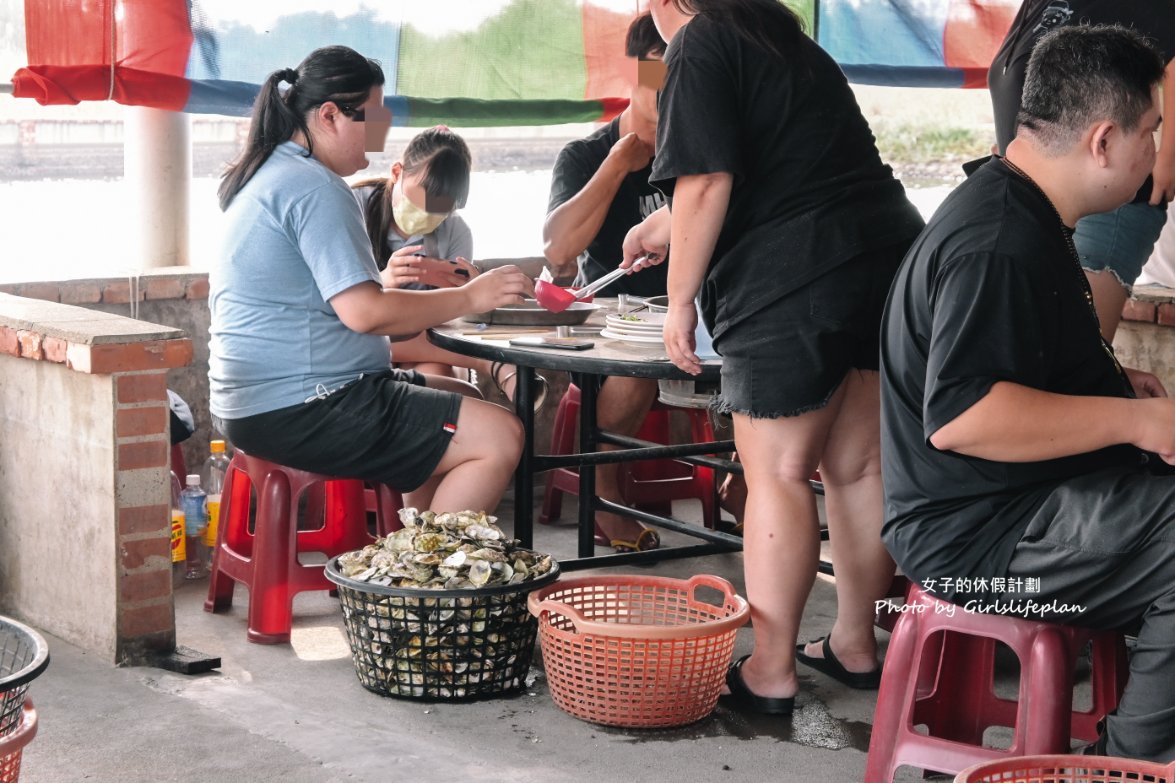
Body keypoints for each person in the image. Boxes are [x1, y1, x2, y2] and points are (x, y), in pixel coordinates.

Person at [881, 24, 1175, 760]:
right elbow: (967, 417)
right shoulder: (999, 242)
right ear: (1103, 141)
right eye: (1153, 130)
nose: (1157, 149)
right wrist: (1135, 423)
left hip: (1010, 507)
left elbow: (1016, 369)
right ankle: (1121, 764)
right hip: (978, 539)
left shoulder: (1024, 213)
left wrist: (1112, 389)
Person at [626, 0, 925, 713]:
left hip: (793, 272)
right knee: (858, 467)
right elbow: (781, 166)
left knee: (780, 472)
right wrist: (665, 224)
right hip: (884, 254)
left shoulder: (698, 44)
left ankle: (770, 668)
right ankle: (854, 642)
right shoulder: (784, 42)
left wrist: (678, 298)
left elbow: (707, 180)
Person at [209, 46, 532, 515]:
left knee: (461, 397)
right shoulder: (316, 187)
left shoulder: (273, 171)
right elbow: (366, 313)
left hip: (263, 400)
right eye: (373, 121)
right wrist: (468, 295)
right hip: (304, 403)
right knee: (501, 435)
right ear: (330, 115)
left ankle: (404, 550)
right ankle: (423, 579)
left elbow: (361, 316)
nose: (378, 140)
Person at [541, 13, 671, 552]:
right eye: (666, 77)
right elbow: (558, 250)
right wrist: (618, 164)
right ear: (641, 71)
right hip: (612, 320)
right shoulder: (587, 154)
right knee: (637, 361)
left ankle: (736, 483)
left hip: (696, 311)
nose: (677, 93)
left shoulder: (705, 150)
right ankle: (606, 496)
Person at [987, 0, 1175, 341]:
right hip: (1037, 201)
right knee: (1046, 349)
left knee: (1075, 348)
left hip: (1104, 199)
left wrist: (1169, 157)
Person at [351, 127, 546, 408]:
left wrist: (469, 293)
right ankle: (496, 366)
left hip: (424, 344)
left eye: (441, 207)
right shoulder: (353, 206)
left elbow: (451, 320)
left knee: (439, 380)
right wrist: (384, 281)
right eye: (421, 198)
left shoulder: (455, 231)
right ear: (397, 172)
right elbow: (345, 308)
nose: (428, 213)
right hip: (362, 340)